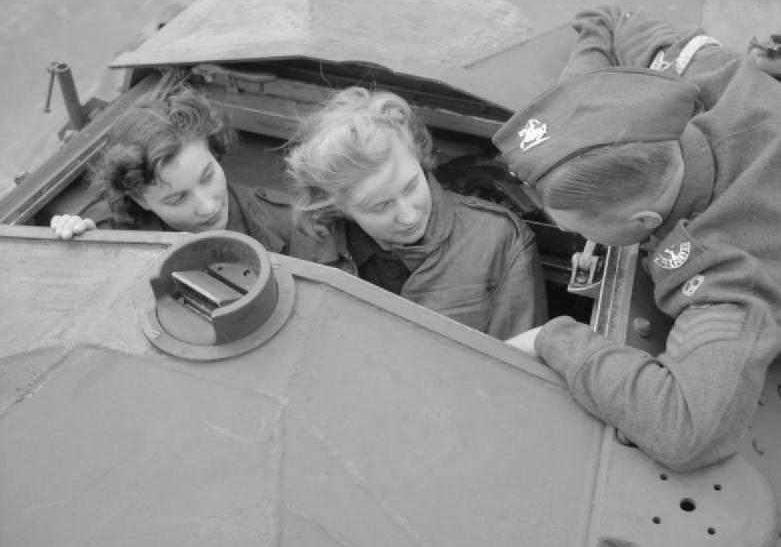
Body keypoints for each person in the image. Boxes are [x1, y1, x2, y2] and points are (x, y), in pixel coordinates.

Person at [493, 4, 781, 472]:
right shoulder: (704, 75)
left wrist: (556, 338)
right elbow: (609, 17)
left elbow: (686, 431)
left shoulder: (728, 269)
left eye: (577, 227)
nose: (566, 233)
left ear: (644, 221)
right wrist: (577, 101)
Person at [285, 86, 547, 339]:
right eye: (381, 206)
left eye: (411, 186)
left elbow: (520, 369)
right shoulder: (313, 246)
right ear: (335, 206)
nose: (409, 216)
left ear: (419, 157)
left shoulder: (498, 240)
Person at [49, 86, 295, 253]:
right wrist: (88, 248)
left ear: (213, 149)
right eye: (177, 199)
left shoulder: (286, 221)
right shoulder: (111, 235)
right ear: (140, 199)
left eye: (208, 176)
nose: (208, 206)